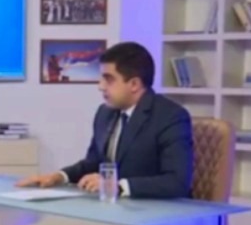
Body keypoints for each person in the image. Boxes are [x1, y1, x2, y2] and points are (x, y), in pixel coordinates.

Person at [16, 41, 193, 199]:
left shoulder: (171, 117)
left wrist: (119, 186)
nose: (100, 86)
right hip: (115, 209)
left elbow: (177, 182)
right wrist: (59, 177)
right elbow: (93, 164)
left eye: (109, 80)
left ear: (134, 84)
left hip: (156, 213)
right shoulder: (105, 113)